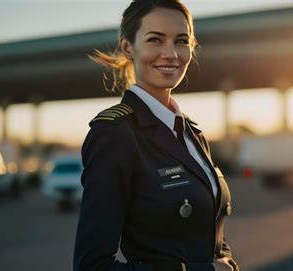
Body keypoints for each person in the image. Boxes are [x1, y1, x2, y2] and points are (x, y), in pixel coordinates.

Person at [73, 1, 239, 270]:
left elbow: (211, 235)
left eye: (181, 41)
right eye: (155, 40)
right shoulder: (115, 134)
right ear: (128, 47)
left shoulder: (192, 133)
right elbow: (92, 266)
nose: (171, 53)